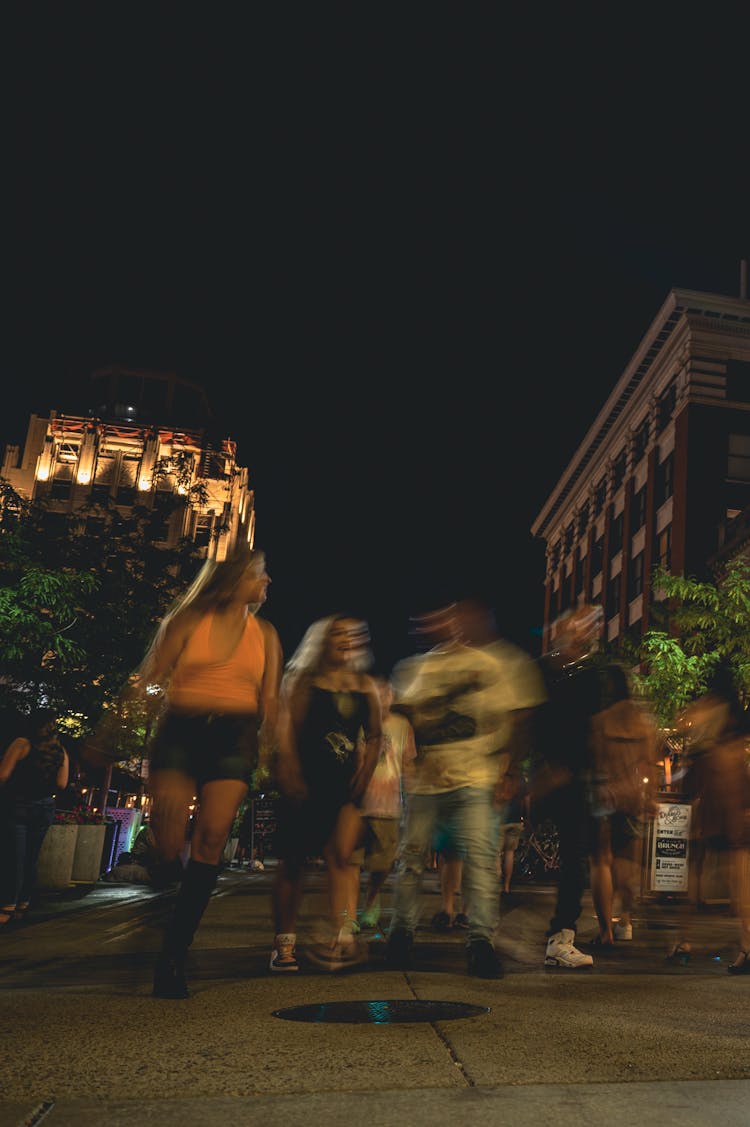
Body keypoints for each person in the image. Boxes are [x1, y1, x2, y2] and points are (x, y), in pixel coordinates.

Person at [121, 542, 283, 998]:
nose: (267, 582)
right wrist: (111, 728)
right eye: (260, 574)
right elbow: (148, 675)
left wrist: (276, 749)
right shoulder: (188, 622)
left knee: (211, 839)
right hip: (183, 729)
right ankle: (167, 878)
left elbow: (270, 701)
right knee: (169, 843)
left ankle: (173, 954)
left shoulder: (266, 634)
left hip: (235, 736)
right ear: (235, 581)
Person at [386, 598, 521, 979]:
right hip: (428, 780)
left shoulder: (490, 665)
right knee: (412, 859)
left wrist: (504, 770)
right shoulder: (417, 667)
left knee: (480, 862)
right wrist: (407, 762)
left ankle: (480, 942)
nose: (450, 625)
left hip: (474, 777)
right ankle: (401, 934)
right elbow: (403, 715)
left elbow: (507, 719)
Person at [270, 614, 382, 972]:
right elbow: (285, 728)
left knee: (343, 859)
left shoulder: (365, 686)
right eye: (337, 634)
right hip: (304, 782)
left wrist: (365, 773)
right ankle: (284, 946)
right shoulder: (304, 681)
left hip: (345, 786)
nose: (345, 640)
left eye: (352, 634)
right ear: (321, 640)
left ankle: (340, 936)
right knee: (292, 864)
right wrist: (287, 768)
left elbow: (376, 733)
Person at [529, 602, 618, 968]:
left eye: (593, 622)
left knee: (576, 860)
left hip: (579, 777)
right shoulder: (544, 671)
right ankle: (477, 928)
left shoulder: (592, 674)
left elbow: (599, 727)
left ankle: (561, 937)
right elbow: (527, 722)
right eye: (580, 621)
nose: (588, 628)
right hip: (547, 773)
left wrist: (609, 776)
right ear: (561, 626)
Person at [666, 662, 750, 974]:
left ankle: (684, 940)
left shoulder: (705, 709)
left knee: (694, 874)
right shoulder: (736, 714)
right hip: (736, 794)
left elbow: (690, 754)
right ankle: (746, 944)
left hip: (710, 794)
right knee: (739, 877)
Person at [587, 663, 661, 946]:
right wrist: (650, 796)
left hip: (605, 795)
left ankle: (606, 931)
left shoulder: (600, 720)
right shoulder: (642, 722)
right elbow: (650, 764)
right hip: (632, 797)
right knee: (627, 861)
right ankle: (626, 921)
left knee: (601, 860)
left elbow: (594, 762)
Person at [355, 674, 416, 931]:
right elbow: (357, 760)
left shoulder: (402, 726)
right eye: (376, 695)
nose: (382, 699)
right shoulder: (361, 724)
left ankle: (370, 900)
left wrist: (414, 797)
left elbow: (408, 764)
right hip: (360, 803)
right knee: (352, 862)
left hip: (389, 805)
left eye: (386, 694)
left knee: (384, 862)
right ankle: (348, 913)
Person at [0, 708, 70, 926]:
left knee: (13, 858)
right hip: (45, 807)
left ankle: (6, 906)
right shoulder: (61, 751)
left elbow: (3, 775)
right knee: (31, 857)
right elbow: (61, 784)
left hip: (18, 804)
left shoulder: (22, 743)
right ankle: (23, 903)